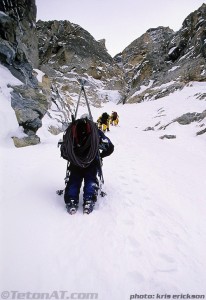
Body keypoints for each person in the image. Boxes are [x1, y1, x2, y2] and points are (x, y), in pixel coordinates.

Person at [61, 115, 114, 215]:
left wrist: (73, 158)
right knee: (91, 179)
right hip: (92, 162)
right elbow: (110, 147)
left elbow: (64, 151)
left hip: (75, 163)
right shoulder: (96, 132)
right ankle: (88, 201)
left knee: (74, 180)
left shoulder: (72, 131)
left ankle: (71, 201)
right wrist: (100, 155)